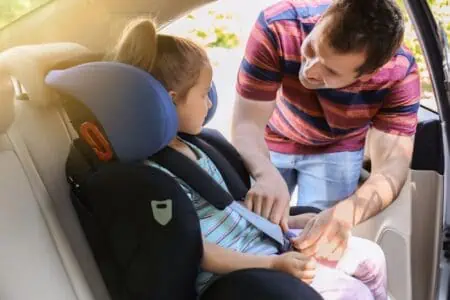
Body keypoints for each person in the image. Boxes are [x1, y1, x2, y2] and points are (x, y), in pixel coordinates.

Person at [108, 17, 389, 300]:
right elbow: (197, 249)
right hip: (245, 272)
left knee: (371, 258)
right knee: (352, 293)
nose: (210, 103)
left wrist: (292, 221)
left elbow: (231, 209)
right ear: (169, 100)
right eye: (204, 94)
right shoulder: (155, 177)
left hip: (265, 243)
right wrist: (273, 264)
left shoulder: (199, 145)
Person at [232, 0, 420, 262]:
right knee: (249, 232)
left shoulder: (399, 74)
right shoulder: (279, 26)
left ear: (367, 75)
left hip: (338, 147)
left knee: (318, 245)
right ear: (321, 21)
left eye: (330, 71)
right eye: (311, 49)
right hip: (272, 135)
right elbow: (247, 123)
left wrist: (344, 215)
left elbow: (391, 167)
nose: (309, 70)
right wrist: (265, 173)